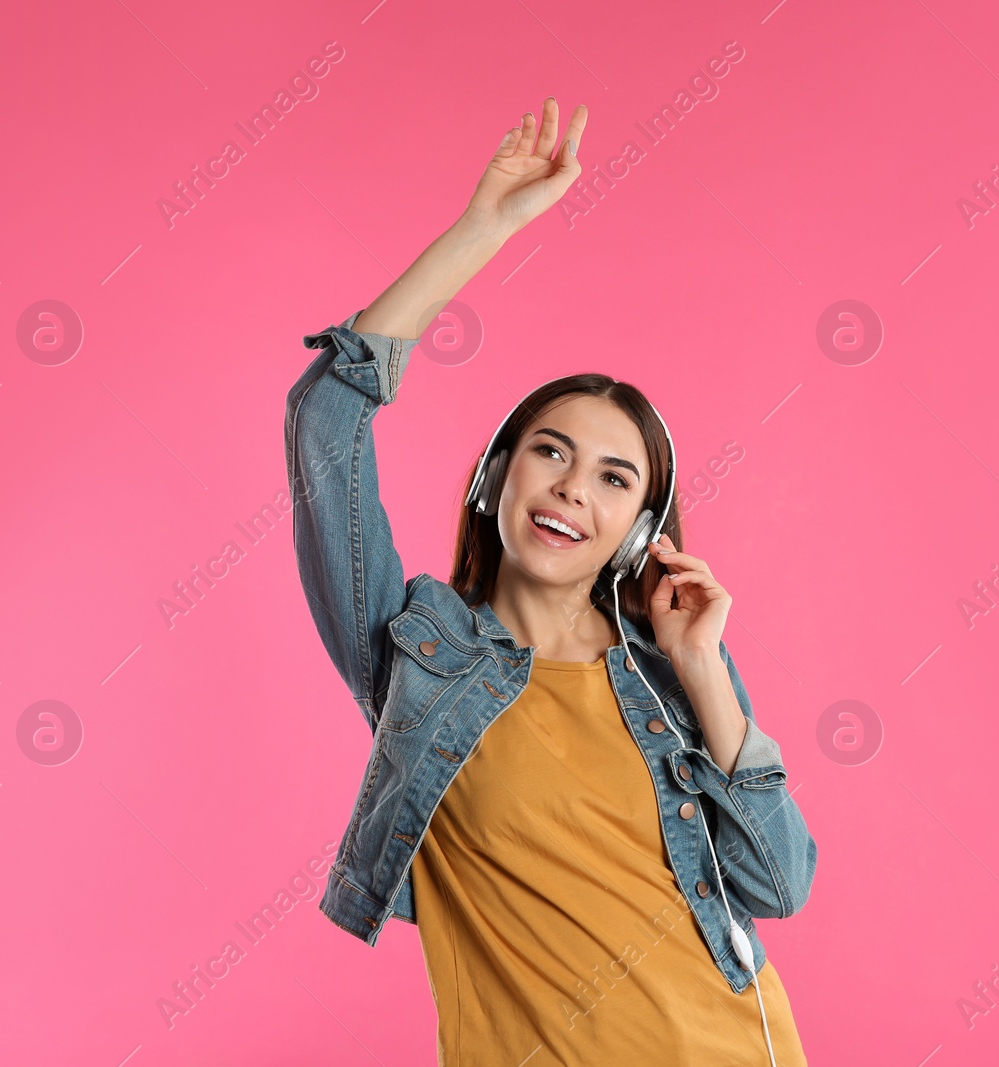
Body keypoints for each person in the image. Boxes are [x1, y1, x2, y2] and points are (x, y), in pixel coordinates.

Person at [285, 97, 817, 1066]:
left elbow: (775, 884)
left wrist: (702, 670)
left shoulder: (668, 672)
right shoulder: (416, 650)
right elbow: (326, 419)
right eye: (551, 452)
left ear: (639, 526)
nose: (574, 486)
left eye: (616, 477)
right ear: (498, 477)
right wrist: (484, 226)